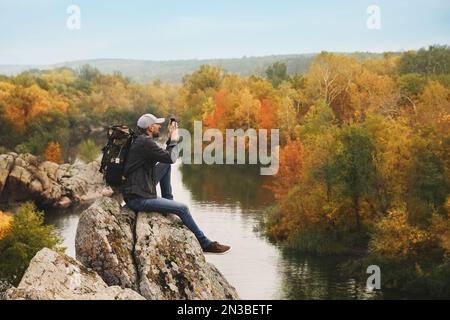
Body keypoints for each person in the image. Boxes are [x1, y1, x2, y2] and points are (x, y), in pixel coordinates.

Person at [121, 113, 231, 254]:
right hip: (139, 198)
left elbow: (166, 158)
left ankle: (168, 203)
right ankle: (206, 244)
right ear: (150, 127)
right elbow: (171, 157)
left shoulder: (140, 140)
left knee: (165, 165)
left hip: (138, 188)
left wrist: (171, 140)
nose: (159, 126)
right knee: (183, 209)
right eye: (156, 124)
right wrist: (174, 138)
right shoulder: (145, 143)